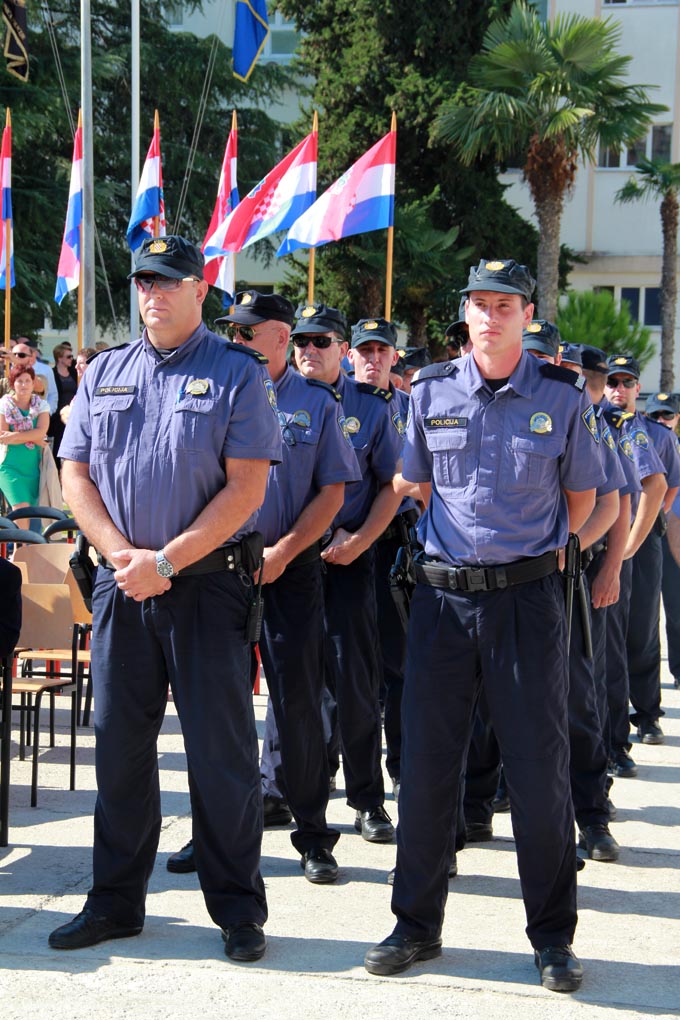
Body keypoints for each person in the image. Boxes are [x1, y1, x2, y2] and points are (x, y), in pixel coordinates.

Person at [364, 259, 605, 993]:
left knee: (538, 771)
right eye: (480, 304)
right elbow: (414, 481)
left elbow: (582, 498)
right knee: (426, 768)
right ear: (465, 314)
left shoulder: (561, 396)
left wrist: (532, 552)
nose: (491, 317)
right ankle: (415, 926)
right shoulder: (431, 390)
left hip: (526, 602)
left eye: (506, 306)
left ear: (527, 316)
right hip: (441, 603)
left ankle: (553, 939)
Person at [48, 235, 282, 963]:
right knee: (119, 749)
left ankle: (237, 909)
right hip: (122, 584)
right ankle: (115, 903)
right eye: (145, 281)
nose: (153, 293)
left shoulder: (237, 372)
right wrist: (122, 555)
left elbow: (248, 487)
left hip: (206, 587)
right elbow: (76, 472)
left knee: (221, 754)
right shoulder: (106, 371)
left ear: (199, 290)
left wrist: (167, 561)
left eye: (169, 281)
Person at [167, 295, 361, 884]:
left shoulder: (317, 403)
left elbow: (332, 491)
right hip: (218, 567)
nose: (237, 341)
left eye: (248, 333)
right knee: (216, 711)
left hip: (287, 567)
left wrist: (286, 552)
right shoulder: (215, 388)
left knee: (297, 705)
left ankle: (313, 835)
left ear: (280, 337)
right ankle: (215, 835)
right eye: (233, 332)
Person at [294, 310, 403, 843]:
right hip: (286, 560)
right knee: (292, 688)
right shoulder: (272, 397)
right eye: (301, 341)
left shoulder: (369, 405)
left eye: (321, 341)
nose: (309, 350)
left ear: (342, 349)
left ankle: (367, 799)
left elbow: (392, 485)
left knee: (354, 683)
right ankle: (286, 792)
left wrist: (359, 541)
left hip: (347, 559)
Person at [604, 356, 677, 748]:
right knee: (607, 634)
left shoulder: (655, 434)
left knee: (643, 628)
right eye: (612, 382)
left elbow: (668, 485)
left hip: (643, 538)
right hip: (605, 535)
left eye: (626, 382)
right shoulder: (594, 424)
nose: (619, 389)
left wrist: (639, 532)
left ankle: (648, 714)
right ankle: (610, 723)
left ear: (637, 388)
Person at [0, 365, 50, 527]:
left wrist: (14, 436)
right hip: (9, 467)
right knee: (20, 510)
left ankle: (20, 544)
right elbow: (3, 437)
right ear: (12, 384)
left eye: (27, 381)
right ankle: (22, 543)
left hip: (34, 468)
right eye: (19, 381)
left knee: (32, 517)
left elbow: (41, 432)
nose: (24, 385)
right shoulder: (4, 405)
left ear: (33, 383)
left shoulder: (41, 405)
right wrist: (33, 438)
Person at [11, 338, 58, 415]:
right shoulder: (10, 368)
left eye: (21, 355)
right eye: (14, 355)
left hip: (37, 416)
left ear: (34, 354)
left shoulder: (45, 370)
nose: (17, 357)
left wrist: (47, 413)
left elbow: (52, 394)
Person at [49, 343, 78, 461]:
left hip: (72, 413)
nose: (71, 359)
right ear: (59, 358)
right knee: (58, 445)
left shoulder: (74, 373)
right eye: (68, 356)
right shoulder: (52, 373)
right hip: (57, 416)